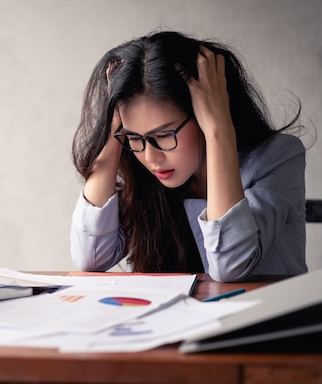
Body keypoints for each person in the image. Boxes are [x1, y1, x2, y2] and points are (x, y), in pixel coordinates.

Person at [70, 30, 308, 282]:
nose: (151, 157)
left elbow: (231, 267)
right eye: (135, 137)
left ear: (204, 114)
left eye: (163, 135)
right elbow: (90, 258)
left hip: (260, 318)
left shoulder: (278, 157)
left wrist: (219, 131)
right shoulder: (140, 167)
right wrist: (111, 133)